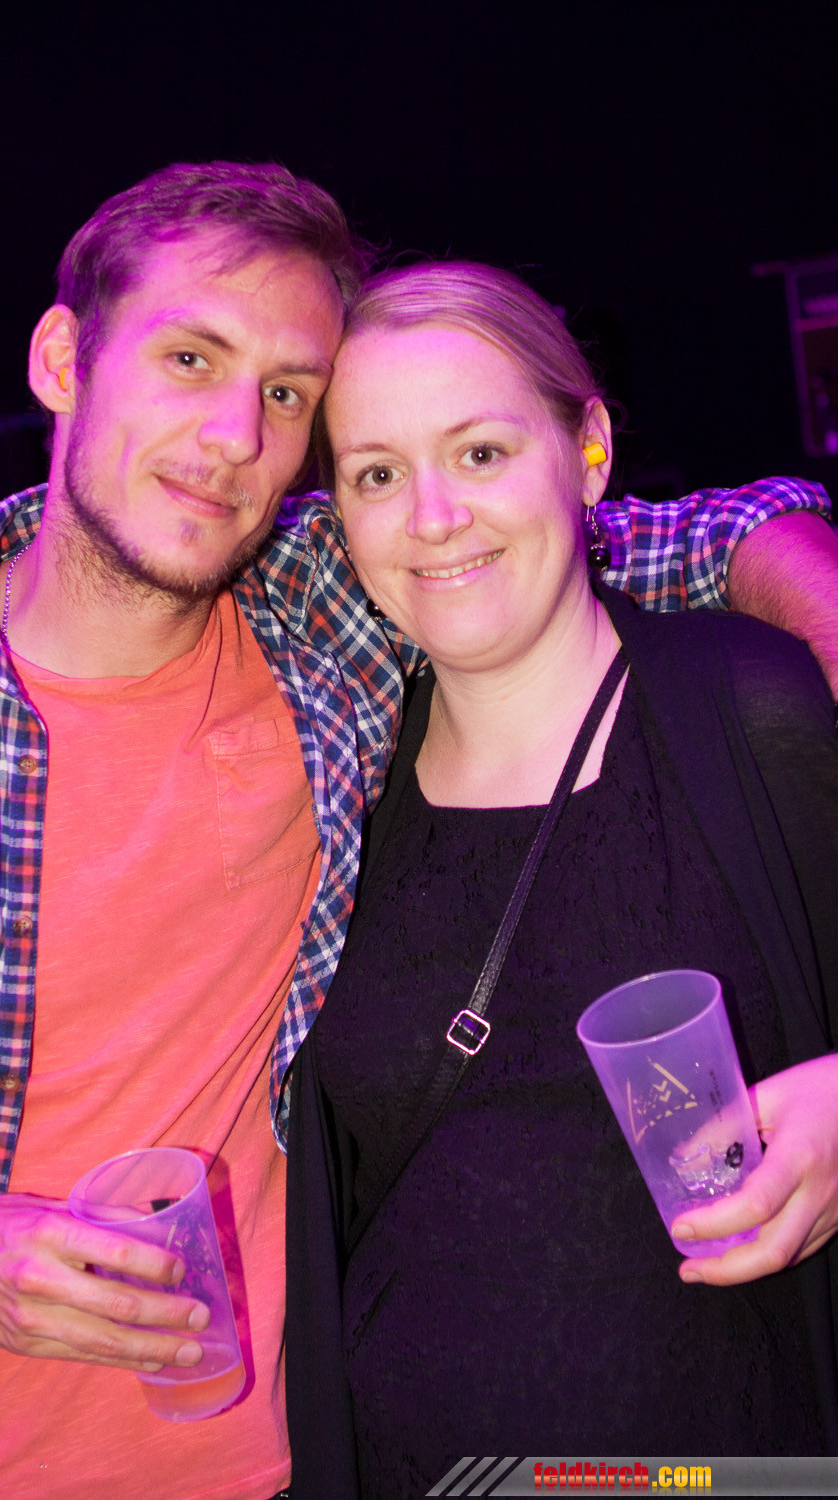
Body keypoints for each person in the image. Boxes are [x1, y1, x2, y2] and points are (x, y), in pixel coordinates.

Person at [0, 163, 834, 1500]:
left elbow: (603, 534)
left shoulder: (317, 615)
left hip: (293, 1465)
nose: (231, 436)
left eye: (285, 394)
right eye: (190, 358)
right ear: (64, 359)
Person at [284, 260, 838, 1498]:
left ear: (586, 452)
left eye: (480, 452)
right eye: (377, 474)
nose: (433, 516)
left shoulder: (752, 714)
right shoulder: (340, 797)